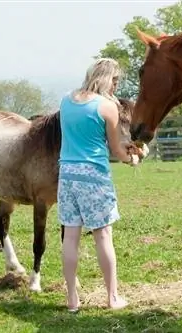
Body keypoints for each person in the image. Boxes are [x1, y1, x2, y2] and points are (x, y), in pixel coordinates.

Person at [58, 58, 138, 312]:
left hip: (67, 174)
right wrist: (133, 157)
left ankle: (72, 299)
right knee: (103, 235)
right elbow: (116, 149)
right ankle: (112, 297)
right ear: (107, 79)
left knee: (70, 237)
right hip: (94, 176)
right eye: (115, 81)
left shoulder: (66, 101)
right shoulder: (106, 107)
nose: (116, 87)